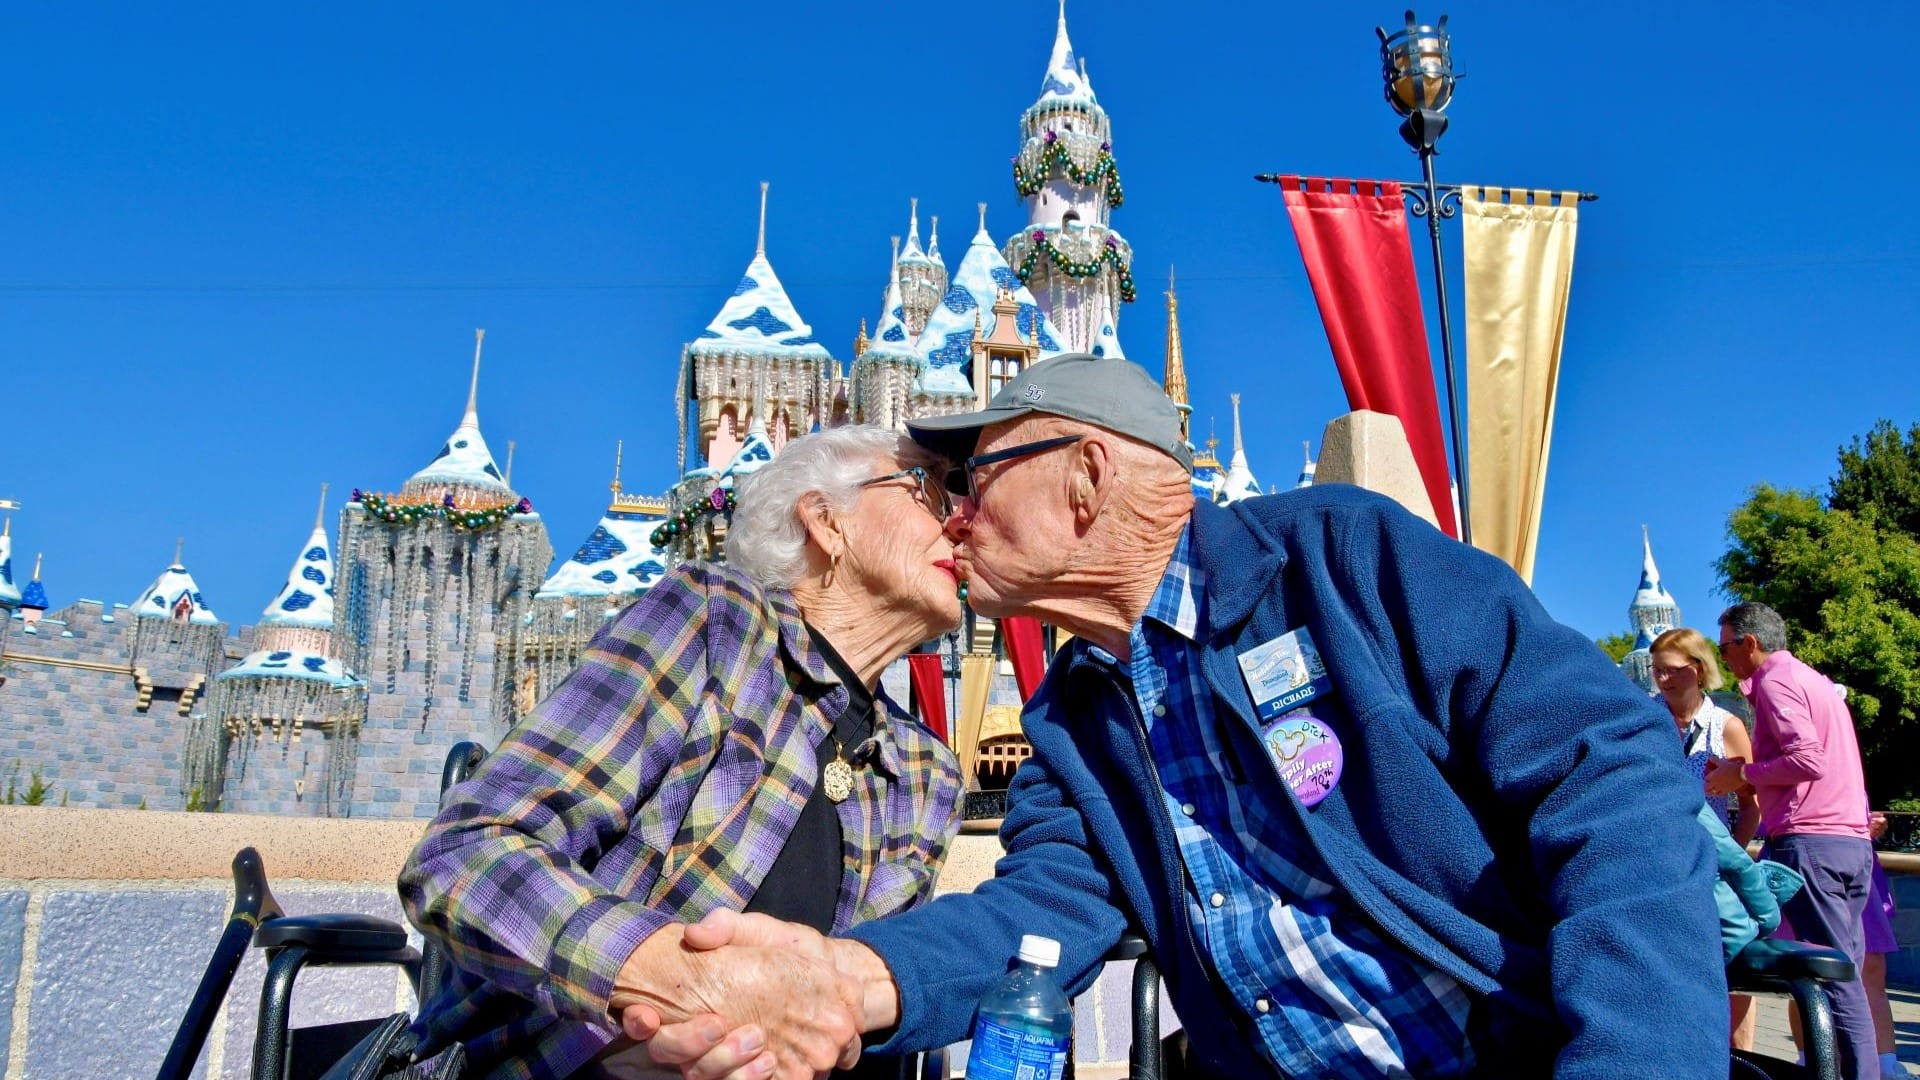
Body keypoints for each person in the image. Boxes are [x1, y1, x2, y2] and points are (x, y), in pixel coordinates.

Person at [636, 353, 1727, 1079]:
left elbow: (1607, 766)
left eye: (973, 473)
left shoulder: (1339, 558)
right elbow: (1039, 917)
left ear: (1086, 474)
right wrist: (844, 980)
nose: (952, 514)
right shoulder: (1073, 719)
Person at [397, 425, 967, 1080]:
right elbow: (464, 854)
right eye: (929, 485)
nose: (961, 521)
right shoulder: (716, 626)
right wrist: (662, 977)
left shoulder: (924, 776)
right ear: (825, 520)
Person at [1708, 603, 1878, 1080]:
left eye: (1725, 648)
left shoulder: (1775, 681)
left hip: (1812, 842)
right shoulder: (1815, 681)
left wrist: (1739, 773)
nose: (1726, 660)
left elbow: (1807, 760)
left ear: (1750, 643)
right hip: (1850, 843)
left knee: (1832, 979)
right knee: (1846, 975)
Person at [1653, 626, 1767, 1051]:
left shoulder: (1725, 724)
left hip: (1712, 871)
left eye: (1672, 670)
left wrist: (1732, 855)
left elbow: (1752, 804)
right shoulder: (1644, 720)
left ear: (1699, 670)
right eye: (1656, 670)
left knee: (1730, 969)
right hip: (1660, 866)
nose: (1662, 679)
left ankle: (1741, 1058)